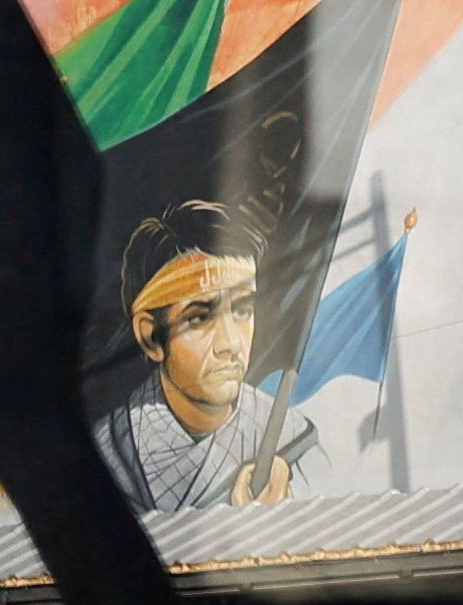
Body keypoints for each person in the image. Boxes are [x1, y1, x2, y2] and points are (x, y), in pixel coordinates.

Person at [97, 197, 310, 509]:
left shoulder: (293, 439)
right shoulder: (107, 455)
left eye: (242, 310)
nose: (231, 344)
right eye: (198, 317)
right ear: (150, 336)